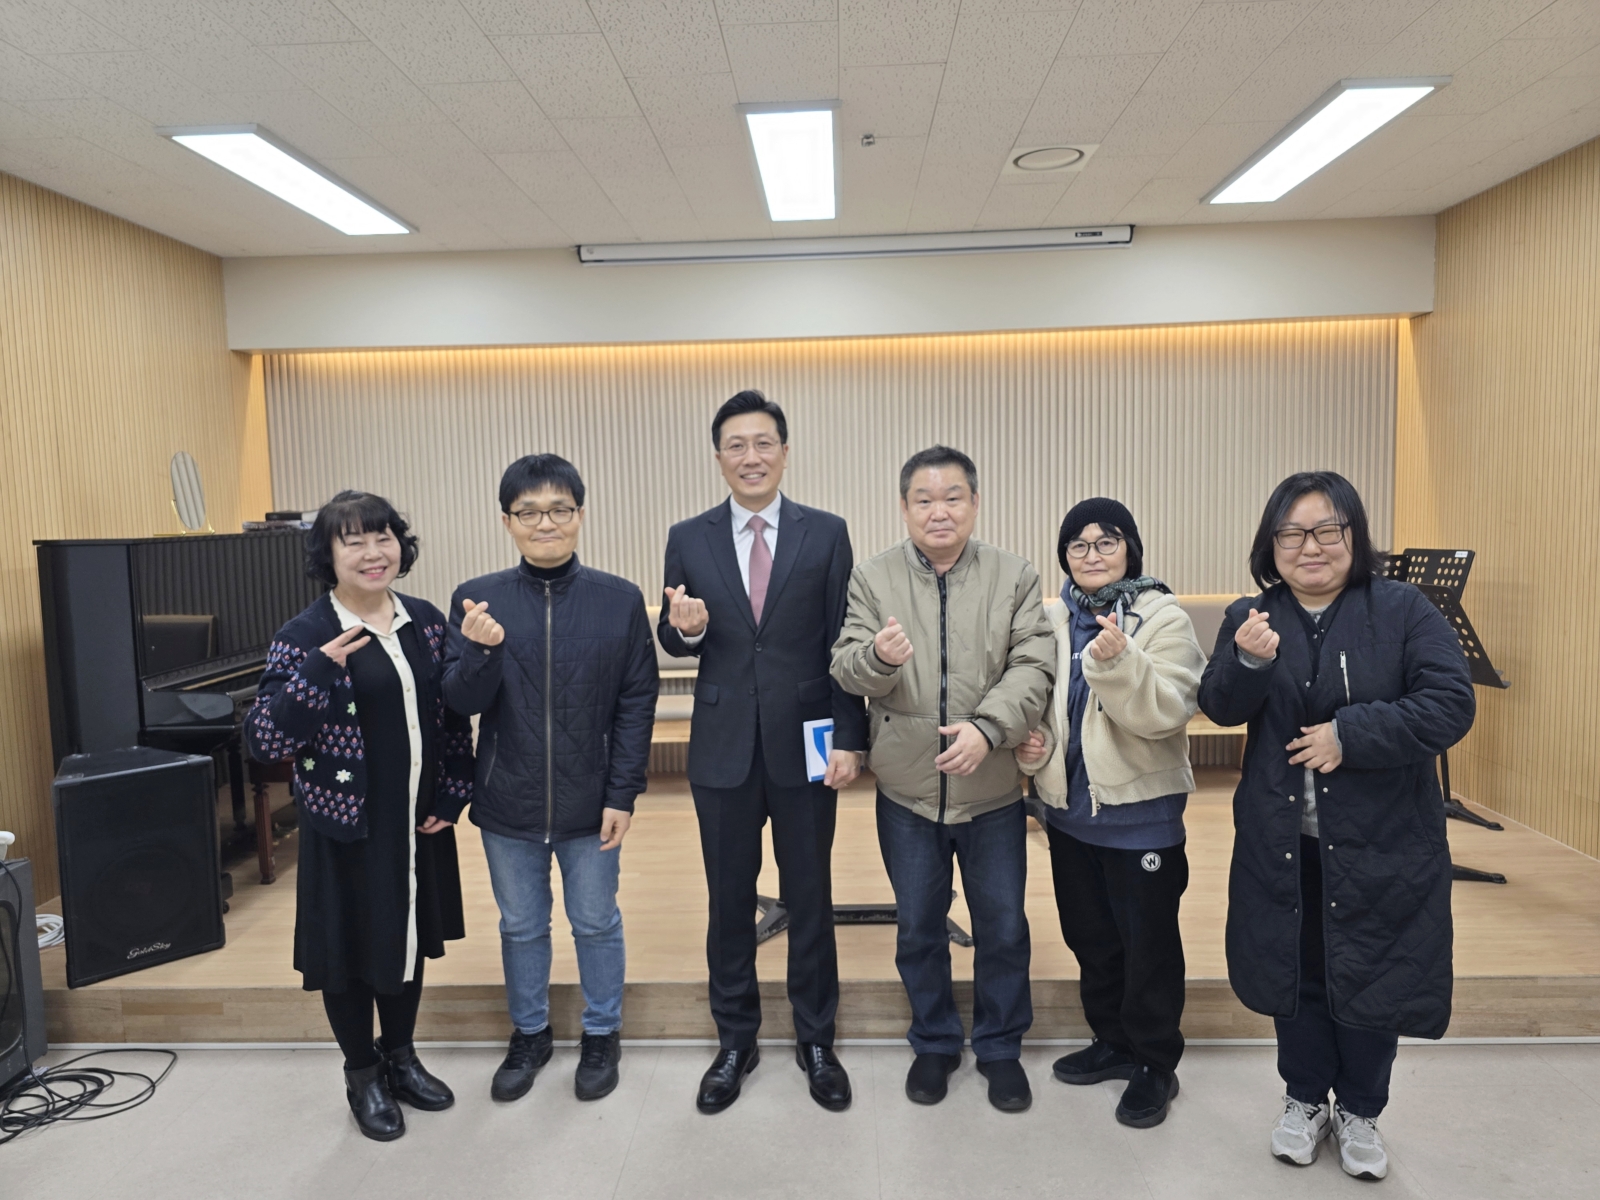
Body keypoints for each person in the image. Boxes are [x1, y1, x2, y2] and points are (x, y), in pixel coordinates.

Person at [1197, 471, 1474, 1181]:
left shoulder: (1403, 608)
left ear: (1354, 534)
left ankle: (1360, 1109)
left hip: (1383, 842)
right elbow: (1220, 706)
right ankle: (1303, 1098)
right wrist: (1249, 661)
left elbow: (1450, 703)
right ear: (1271, 544)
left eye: (1327, 529)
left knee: (1372, 969)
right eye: (1292, 533)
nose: (1310, 546)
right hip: (1284, 843)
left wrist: (1350, 734)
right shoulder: (1252, 615)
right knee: (1299, 971)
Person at [658, 390, 868, 1114]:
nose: (751, 456)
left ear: (784, 451)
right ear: (719, 457)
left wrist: (850, 738)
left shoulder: (826, 533)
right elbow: (674, 632)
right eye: (736, 446)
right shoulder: (688, 536)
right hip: (722, 747)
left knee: (810, 896)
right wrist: (686, 630)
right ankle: (735, 1041)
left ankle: (816, 1039)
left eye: (763, 443)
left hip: (807, 743)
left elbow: (844, 640)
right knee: (728, 902)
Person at [831, 445, 1054, 1113]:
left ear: (974, 503)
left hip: (992, 793)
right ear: (904, 509)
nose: (939, 511)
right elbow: (845, 664)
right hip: (907, 792)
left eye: (953, 497)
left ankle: (1000, 1047)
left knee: (1003, 927)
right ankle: (933, 1041)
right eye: (924, 500)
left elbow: (1033, 665)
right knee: (919, 927)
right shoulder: (872, 578)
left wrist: (987, 729)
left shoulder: (1014, 575)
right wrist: (877, 657)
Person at [247, 490, 474, 1142]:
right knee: (348, 951)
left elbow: (451, 716)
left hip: (417, 822)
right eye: (354, 542)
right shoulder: (305, 635)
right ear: (329, 554)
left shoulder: (425, 621)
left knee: (406, 938)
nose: (374, 553)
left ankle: (401, 1057)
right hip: (345, 825)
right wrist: (318, 672)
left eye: (384, 537)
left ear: (401, 545)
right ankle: (362, 1072)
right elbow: (265, 739)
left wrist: (452, 795)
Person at [442, 454, 657, 1105]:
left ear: (579, 515)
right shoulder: (477, 600)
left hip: (591, 803)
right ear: (507, 521)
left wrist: (623, 794)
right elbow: (460, 701)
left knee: (595, 921)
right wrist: (479, 649)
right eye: (529, 512)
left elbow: (636, 703)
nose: (545, 523)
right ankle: (530, 1034)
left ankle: (602, 1033)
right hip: (506, 800)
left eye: (559, 509)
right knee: (520, 926)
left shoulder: (619, 600)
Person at [1015, 498, 1205, 1129]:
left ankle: (1155, 1062)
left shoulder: (1162, 616)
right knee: (1091, 940)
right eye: (1078, 544)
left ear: (1130, 550)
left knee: (1148, 948)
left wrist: (1120, 661)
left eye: (1106, 542)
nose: (1091, 554)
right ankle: (1113, 1042)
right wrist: (1037, 746)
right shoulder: (1054, 619)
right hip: (1071, 816)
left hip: (1140, 818)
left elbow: (1166, 712)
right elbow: (1053, 707)